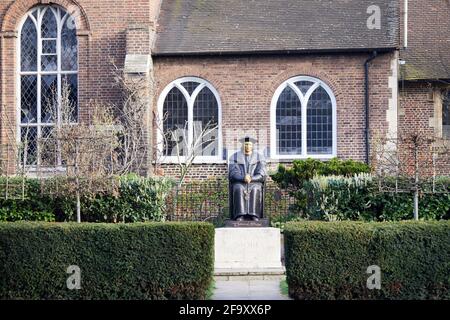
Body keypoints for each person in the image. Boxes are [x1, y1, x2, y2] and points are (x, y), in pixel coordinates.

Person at [229, 136, 266, 221]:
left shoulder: (259, 157)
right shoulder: (234, 157)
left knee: (255, 189)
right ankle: (239, 215)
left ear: (252, 146)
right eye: (246, 144)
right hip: (240, 181)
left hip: (254, 181)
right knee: (238, 188)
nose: (248, 146)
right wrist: (243, 177)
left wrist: (252, 178)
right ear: (243, 145)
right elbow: (233, 173)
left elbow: (262, 173)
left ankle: (254, 214)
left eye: (249, 144)